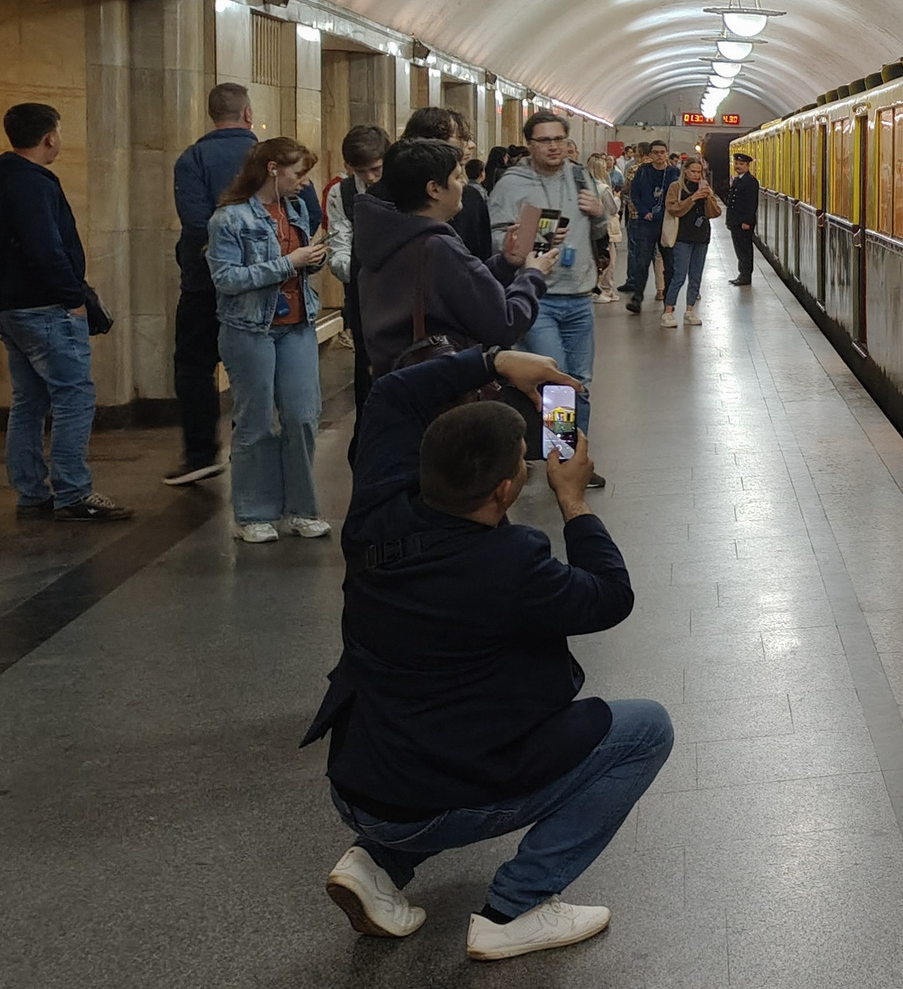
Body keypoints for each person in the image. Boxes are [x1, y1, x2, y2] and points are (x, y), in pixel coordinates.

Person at [304, 344, 669, 961]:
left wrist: (493, 361)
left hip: (360, 782)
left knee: (431, 731)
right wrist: (573, 500)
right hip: (437, 792)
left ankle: (378, 862)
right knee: (646, 729)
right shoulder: (510, 565)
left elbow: (392, 395)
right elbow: (610, 597)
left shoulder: (376, 509)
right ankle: (515, 909)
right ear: (505, 490)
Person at [170, 82, 315, 485]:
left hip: (205, 284)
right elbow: (308, 213)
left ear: (211, 113)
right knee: (269, 379)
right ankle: (266, 459)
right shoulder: (282, 161)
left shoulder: (192, 159)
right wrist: (280, 258)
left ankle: (201, 452)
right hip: (278, 293)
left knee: (194, 365)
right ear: (248, 114)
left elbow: (195, 222)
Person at [0, 103, 126, 522]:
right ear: (50, 137)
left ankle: (31, 491)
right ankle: (73, 491)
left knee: (28, 400)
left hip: (11, 309)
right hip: (45, 307)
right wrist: (72, 296)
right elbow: (45, 247)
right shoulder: (34, 183)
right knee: (74, 396)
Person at [207, 137, 332, 544]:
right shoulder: (229, 219)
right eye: (299, 174)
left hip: (297, 325)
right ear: (272, 168)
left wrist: (313, 259)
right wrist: (287, 263)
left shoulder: (294, 210)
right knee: (256, 421)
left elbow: (298, 266)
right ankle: (254, 513)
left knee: (302, 416)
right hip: (249, 330)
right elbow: (225, 279)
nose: (304, 183)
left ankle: (300, 508)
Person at [352, 139, 554, 375]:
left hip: (398, 384)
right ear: (434, 189)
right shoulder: (437, 247)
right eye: (458, 177)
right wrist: (533, 275)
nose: (465, 184)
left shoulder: (385, 237)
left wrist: (504, 263)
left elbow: (458, 290)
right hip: (441, 386)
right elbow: (505, 324)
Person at [487, 114, 607, 490]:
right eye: (543, 140)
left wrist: (600, 213)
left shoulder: (579, 177)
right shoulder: (513, 184)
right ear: (529, 145)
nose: (553, 146)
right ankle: (564, 464)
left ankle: (573, 457)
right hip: (538, 298)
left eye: (559, 139)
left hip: (580, 294)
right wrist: (534, 236)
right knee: (556, 383)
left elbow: (602, 231)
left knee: (580, 382)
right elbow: (496, 242)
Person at [327, 126, 391, 405]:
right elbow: (340, 243)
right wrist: (354, 270)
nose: (370, 177)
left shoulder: (403, 184)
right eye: (361, 171)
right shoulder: (341, 192)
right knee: (366, 368)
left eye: (376, 169)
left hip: (404, 290)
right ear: (348, 166)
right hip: (362, 293)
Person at [398, 107, 492, 260]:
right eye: (461, 138)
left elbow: (482, 261)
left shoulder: (472, 198)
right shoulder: (391, 196)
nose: (471, 145)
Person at [658, 156, 721, 328]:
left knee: (696, 275)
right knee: (679, 274)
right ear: (685, 171)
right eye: (692, 171)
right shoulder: (676, 187)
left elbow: (715, 212)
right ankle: (668, 310)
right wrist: (693, 198)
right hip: (682, 236)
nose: (695, 175)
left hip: (701, 236)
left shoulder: (704, 188)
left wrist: (707, 196)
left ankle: (690, 309)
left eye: (699, 172)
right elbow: (673, 208)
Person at [618, 142, 676, 312]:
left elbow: (675, 195)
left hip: (666, 222)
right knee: (641, 261)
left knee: (669, 262)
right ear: (650, 154)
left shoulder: (673, 172)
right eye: (656, 153)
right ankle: (637, 297)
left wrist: (662, 213)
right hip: (646, 222)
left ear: (666, 154)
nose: (659, 156)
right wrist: (644, 212)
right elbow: (635, 193)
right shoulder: (643, 171)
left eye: (662, 152)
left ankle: (668, 297)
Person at [583, 154, 620, 305]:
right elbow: (612, 208)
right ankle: (604, 289)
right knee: (608, 259)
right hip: (607, 227)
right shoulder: (603, 188)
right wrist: (617, 197)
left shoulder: (584, 186)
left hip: (589, 227)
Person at [724, 152, 760, 287]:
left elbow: (751, 203)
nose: (738, 166)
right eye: (737, 164)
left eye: (741, 164)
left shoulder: (750, 181)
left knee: (744, 249)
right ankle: (742, 274)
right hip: (736, 221)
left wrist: (747, 221)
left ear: (747, 166)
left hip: (743, 222)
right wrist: (730, 220)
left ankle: (746, 276)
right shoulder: (738, 179)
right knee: (739, 248)